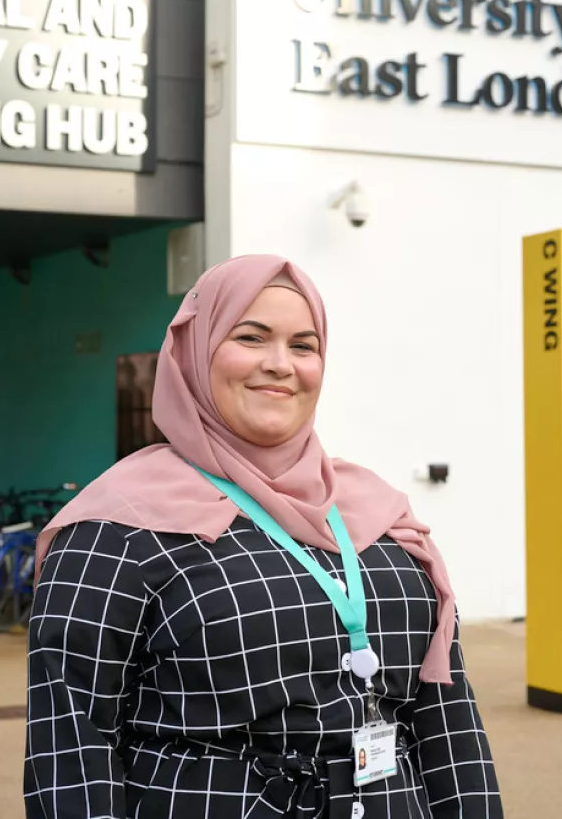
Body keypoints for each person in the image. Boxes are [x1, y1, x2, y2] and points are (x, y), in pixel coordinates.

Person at [25, 255, 503, 818]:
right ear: (196, 353)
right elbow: (72, 747)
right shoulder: (116, 528)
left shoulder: (377, 514)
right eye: (251, 338)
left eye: (303, 346)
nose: (280, 364)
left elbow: (446, 719)